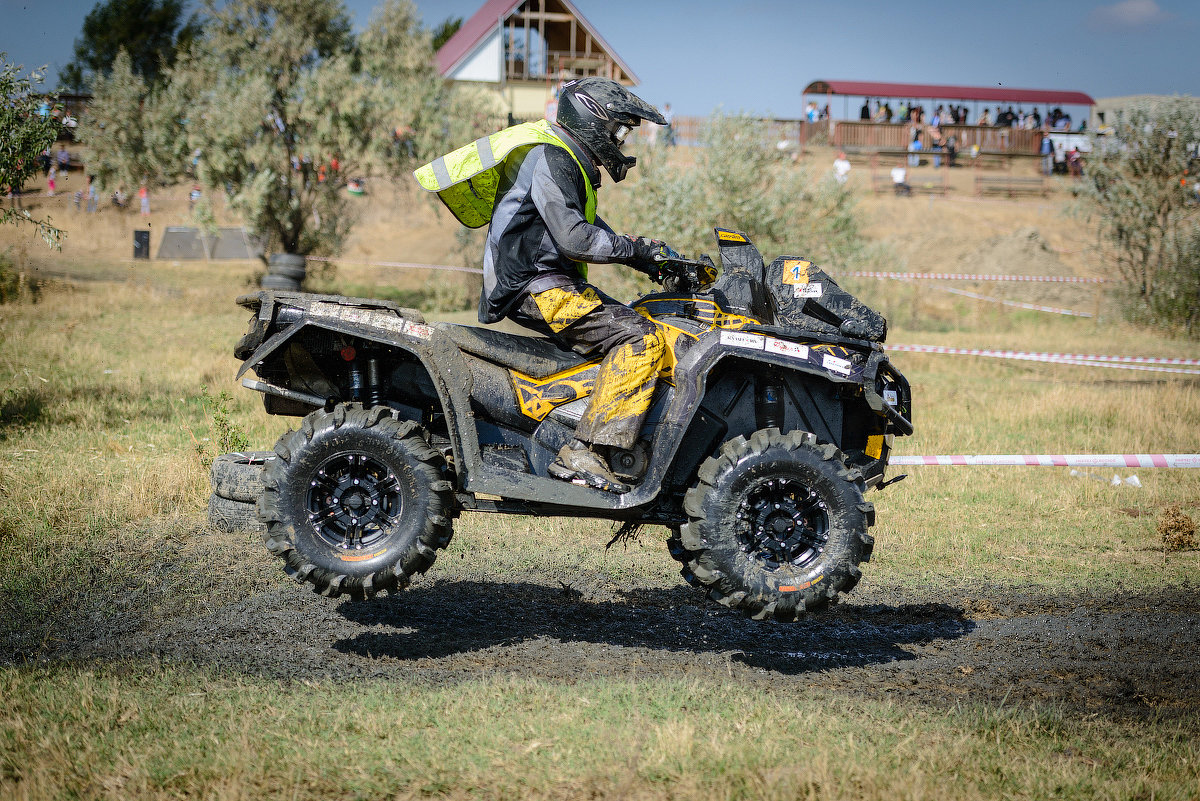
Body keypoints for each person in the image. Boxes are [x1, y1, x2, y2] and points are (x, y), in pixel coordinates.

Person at [416, 78, 679, 493]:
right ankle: (584, 450)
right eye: (620, 130)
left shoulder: (564, 157)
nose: (621, 141)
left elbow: (590, 230)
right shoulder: (551, 156)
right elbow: (576, 237)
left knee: (637, 319)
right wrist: (636, 250)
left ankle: (581, 421)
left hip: (541, 280)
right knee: (641, 339)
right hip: (537, 285)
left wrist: (649, 259)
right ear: (594, 120)